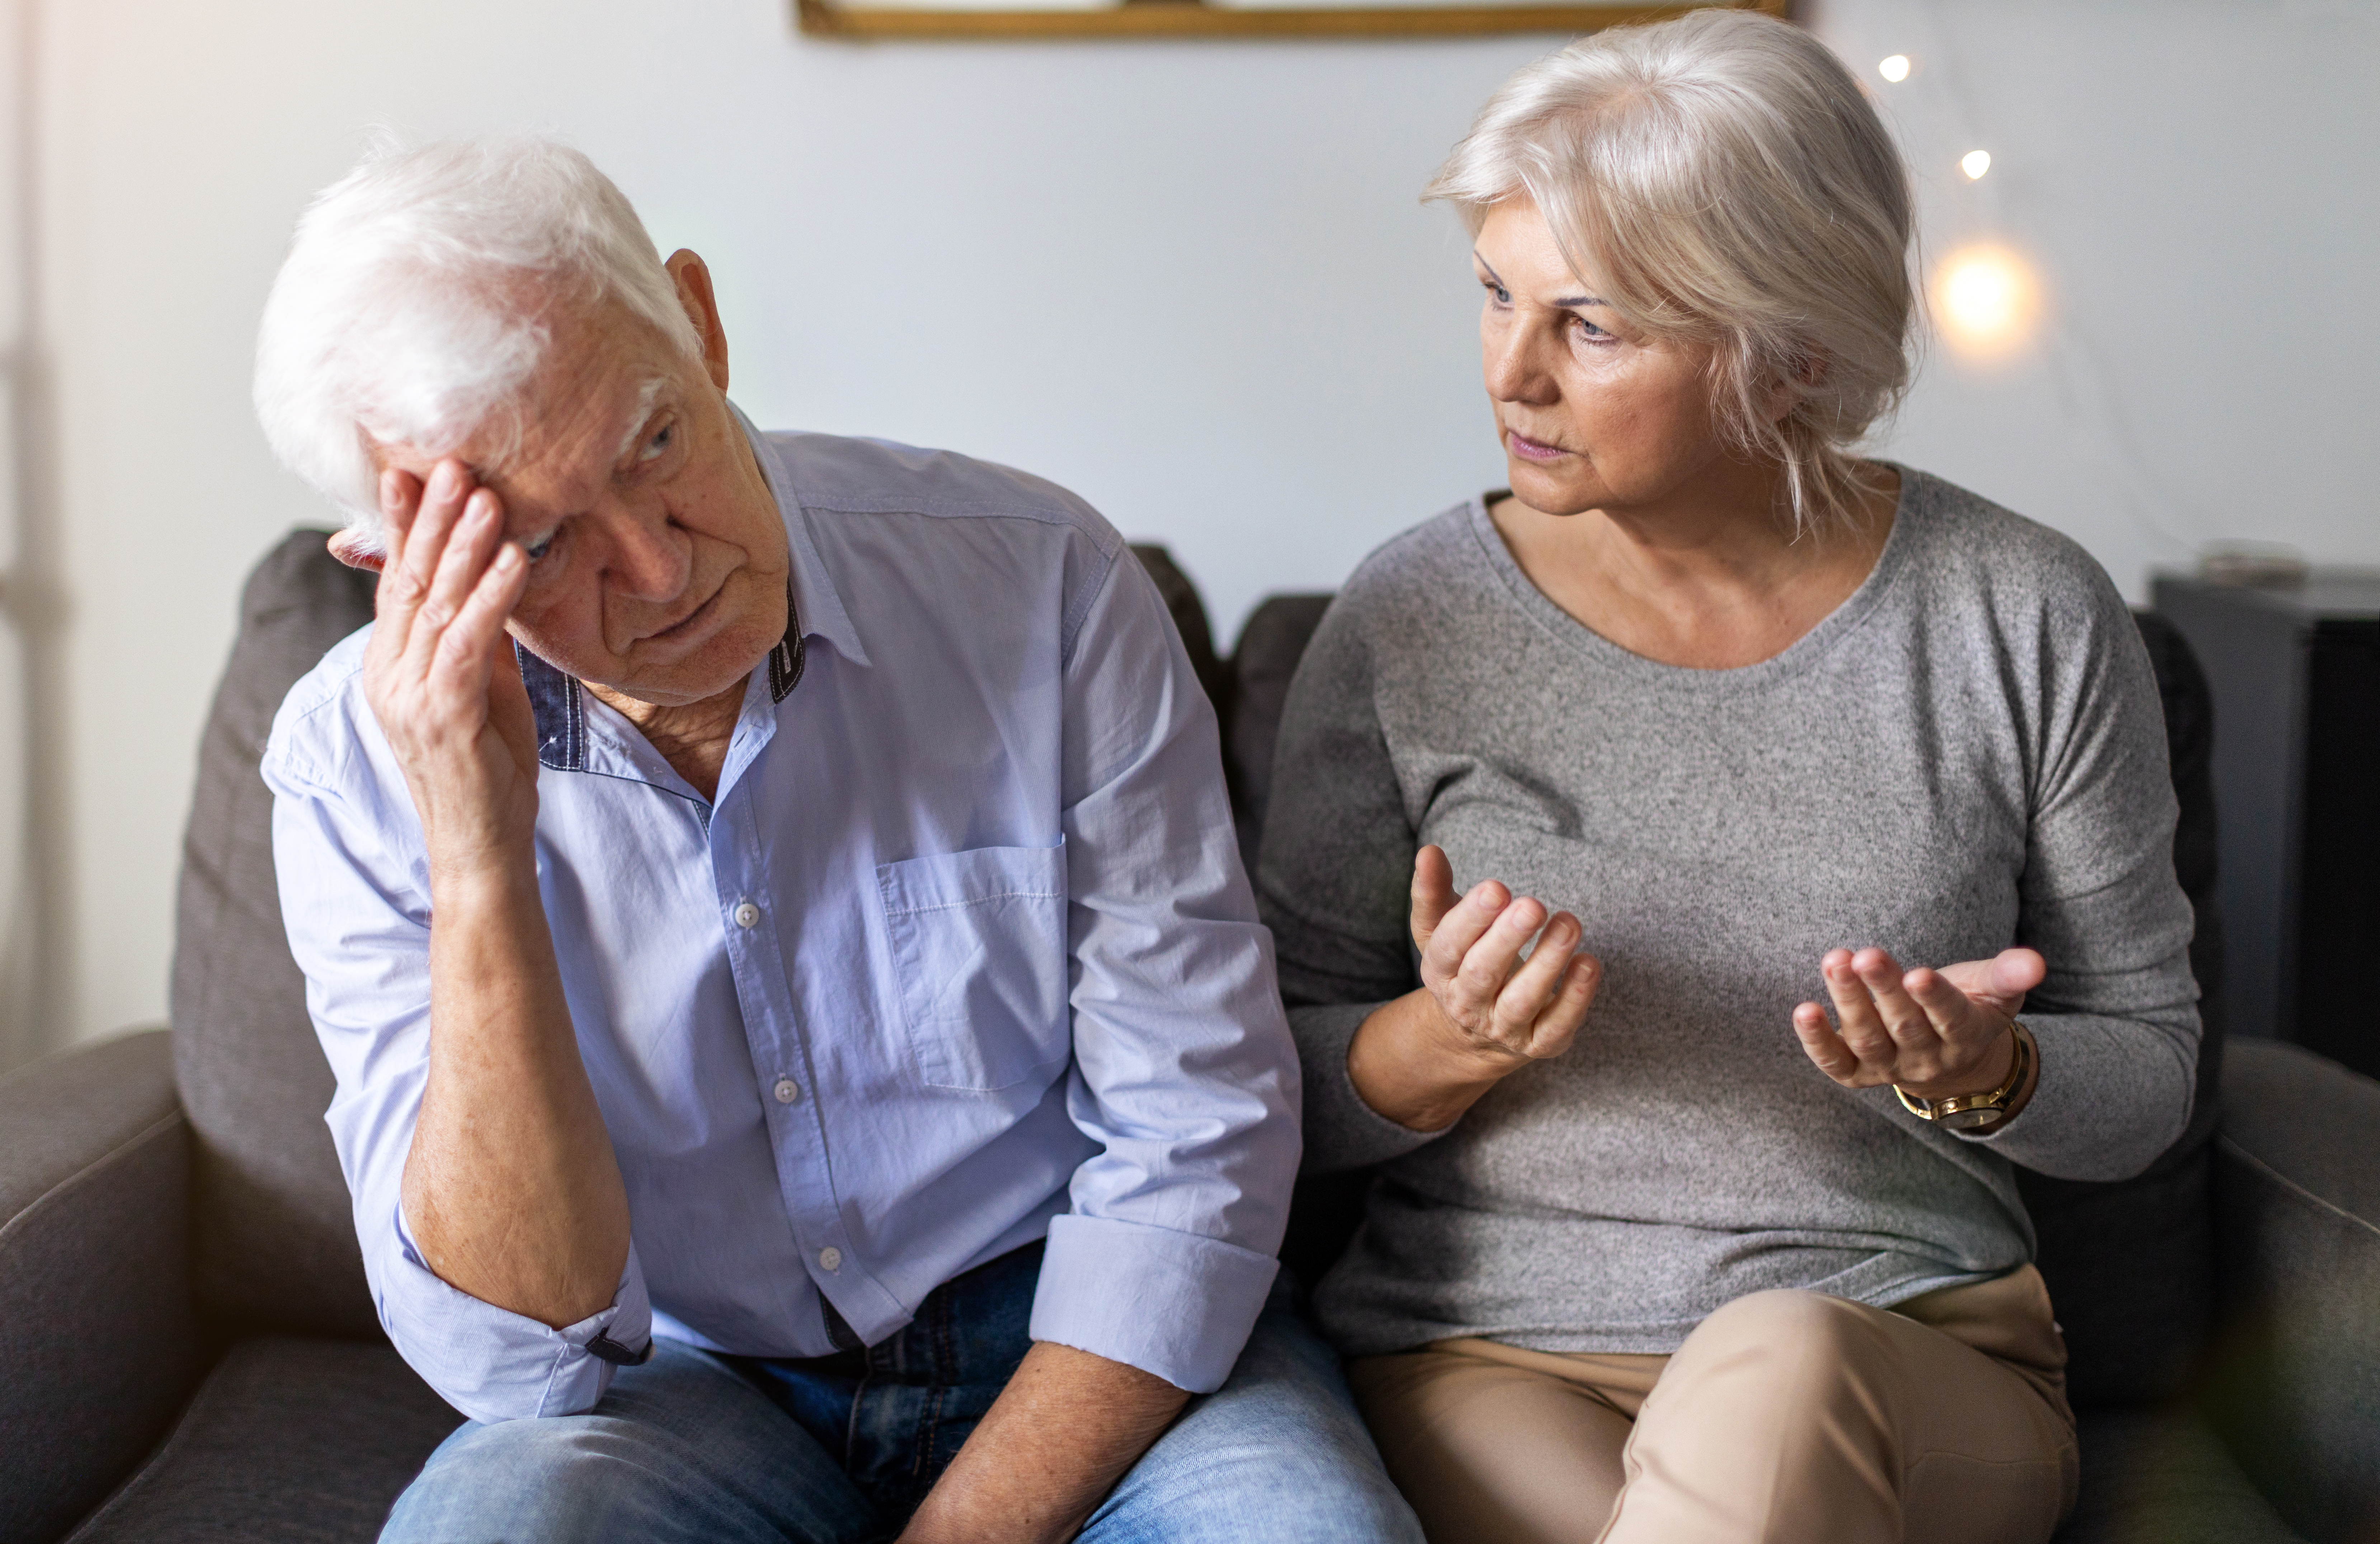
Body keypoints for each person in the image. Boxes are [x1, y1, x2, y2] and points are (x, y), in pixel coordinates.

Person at [254, 135, 1418, 1544]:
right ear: (399, 560)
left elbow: (1198, 1139)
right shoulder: (348, 764)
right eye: (544, 545)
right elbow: (514, 1361)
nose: (665, 567)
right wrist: (480, 852)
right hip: (693, 1386)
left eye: (658, 442)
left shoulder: (1044, 586)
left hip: (1074, 1334)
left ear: (700, 320)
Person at [1255, 12, 2199, 1544]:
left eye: (1595, 325)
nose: (1512, 371)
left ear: (1790, 353)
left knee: (1776, 1360)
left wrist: (1991, 1073)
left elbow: (2150, 1071)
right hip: (1489, 1360)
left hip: (1906, 1355)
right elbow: (1256, 1076)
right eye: (1497, 292)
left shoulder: (2020, 613)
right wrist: (1446, 1039)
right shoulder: (1409, 621)